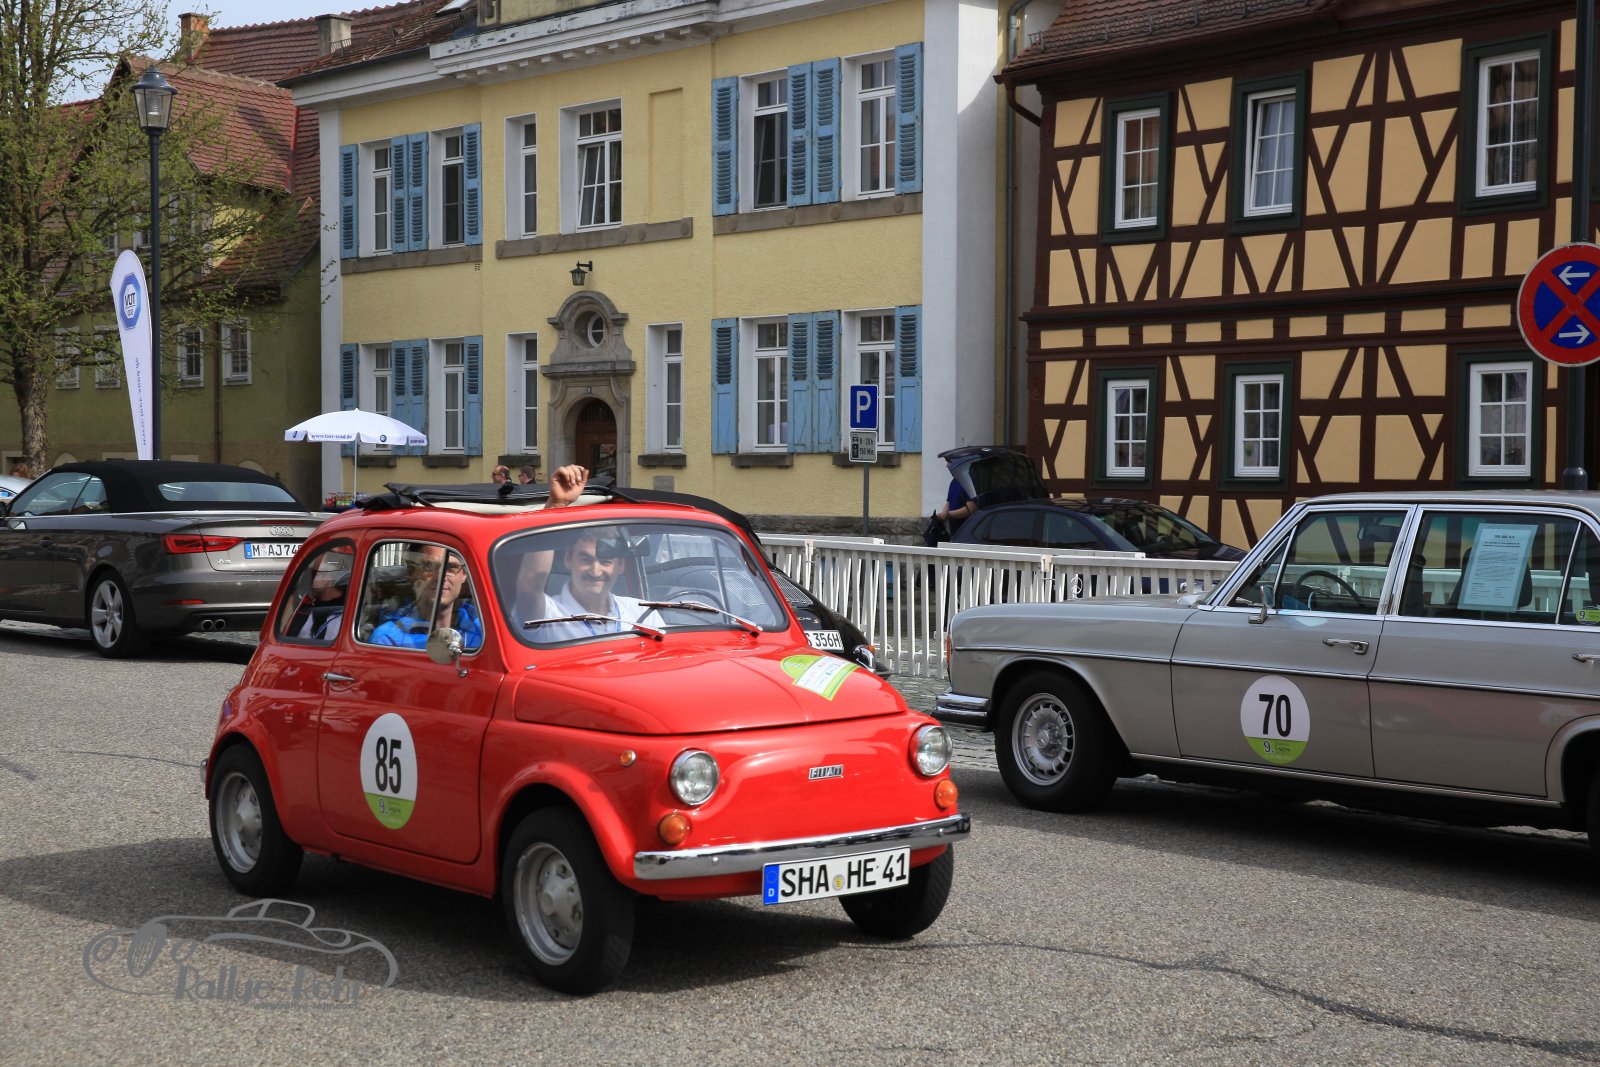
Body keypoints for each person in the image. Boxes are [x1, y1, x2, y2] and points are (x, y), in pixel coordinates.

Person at [513, 464, 652, 641]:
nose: (595, 571)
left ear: (621, 565)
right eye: (585, 559)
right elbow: (530, 588)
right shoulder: (549, 615)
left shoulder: (642, 614)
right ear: (568, 559)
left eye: (605, 561)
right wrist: (556, 505)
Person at [371, 544, 483, 650]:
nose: (440, 577)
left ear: (464, 574)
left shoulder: (482, 629)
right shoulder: (388, 639)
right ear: (411, 572)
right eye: (429, 567)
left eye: (451, 568)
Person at [287, 547, 351, 641]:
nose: (310, 579)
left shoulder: (343, 620)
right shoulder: (309, 610)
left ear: (327, 577)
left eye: (314, 573)